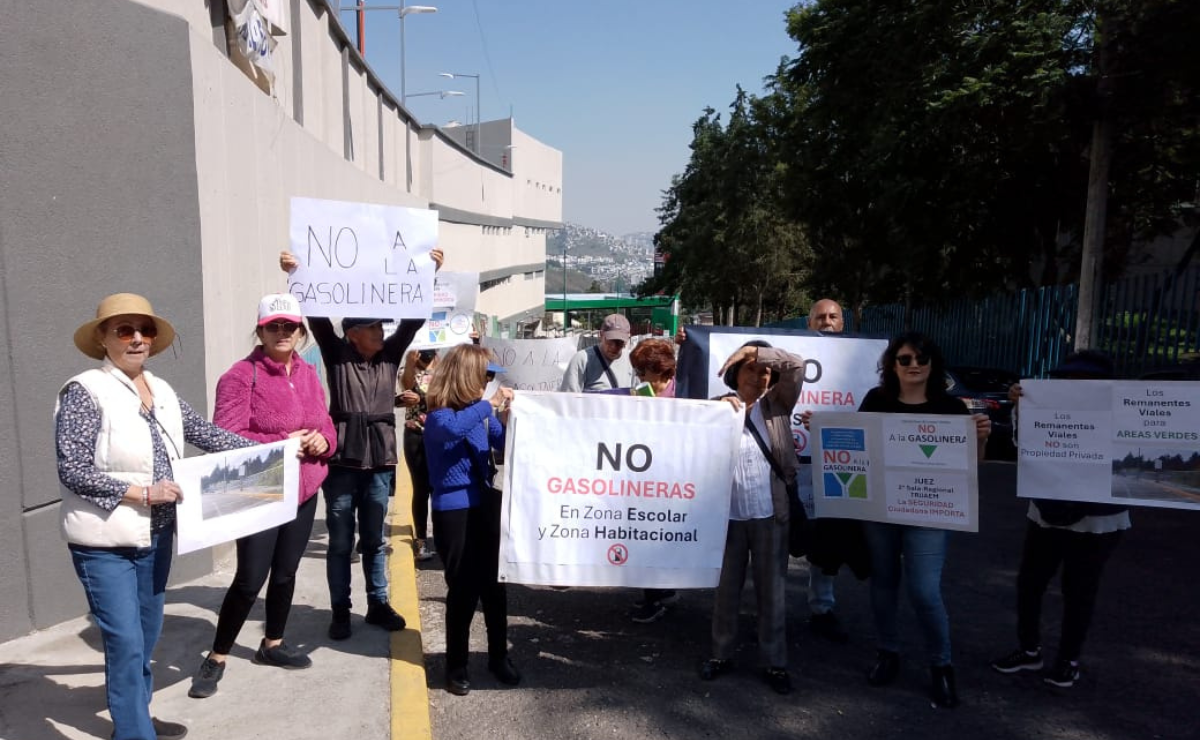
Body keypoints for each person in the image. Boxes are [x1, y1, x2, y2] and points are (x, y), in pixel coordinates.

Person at [56, 293, 253, 740]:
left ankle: (136, 717)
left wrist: (274, 450)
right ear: (103, 339)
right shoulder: (85, 391)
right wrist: (142, 492)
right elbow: (72, 469)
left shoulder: (160, 389)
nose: (137, 339)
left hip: (158, 537)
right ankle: (134, 732)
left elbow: (205, 433)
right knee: (125, 643)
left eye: (144, 330)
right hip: (105, 544)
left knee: (144, 640)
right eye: (124, 330)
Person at [279, 248, 443, 640]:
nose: (381, 332)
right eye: (372, 328)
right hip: (342, 463)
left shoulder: (389, 358)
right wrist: (296, 275)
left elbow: (412, 321)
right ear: (353, 334)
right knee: (339, 543)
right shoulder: (337, 356)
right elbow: (317, 318)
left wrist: (428, 274)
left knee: (374, 540)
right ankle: (340, 609)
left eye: (380, 328)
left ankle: (378, 603)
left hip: (380, 463)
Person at [188, 293, 337, 699]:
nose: (282, 332)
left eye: (289, 326)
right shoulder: (239, 376)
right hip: (261, 488)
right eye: (274, 326)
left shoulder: (308, 373)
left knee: (287, 572)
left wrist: (324, 441)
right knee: (251, 578)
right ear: (260, 331)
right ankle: (217, 655)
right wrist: (280, 442)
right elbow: (224, 438)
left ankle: (272, 643)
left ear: (300, 331)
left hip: (304, 487)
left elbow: (325, 422)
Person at [856, 332, 990, 709]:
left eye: (922, 358)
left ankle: (941, 665)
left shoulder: (951, 408)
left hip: (929, 511)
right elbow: (858, 446)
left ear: (933, 364)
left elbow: (972, 467)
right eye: (905, 359)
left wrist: (981, 439)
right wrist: (825, 429)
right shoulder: (876, 400)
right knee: (883, 582)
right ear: (892, 365)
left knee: (924, 590)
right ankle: (888, 652)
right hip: (880, 509)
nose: (914, 365)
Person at [990, 350, 1129, 688]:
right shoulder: (1047, 409)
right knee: (1030, 583)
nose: (1072, 385)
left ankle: (1068, 659)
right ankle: (1029, 650)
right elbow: (1025, 447)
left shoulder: (1123, 413)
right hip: (1047, 511)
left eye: (1082, 380)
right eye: (1067, 378)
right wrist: (1022, 407)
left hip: (1097, 520)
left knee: (1079, 589)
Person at [700, 340, 805, 696]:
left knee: (771, 592)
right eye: (751, 369)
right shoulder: (717, 408)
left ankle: (775, 662)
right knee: (726, 590)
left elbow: (797, 366)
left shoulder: (777, 406)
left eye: (765, 371)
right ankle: (720, 654)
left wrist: (757, 353)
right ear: (734, 374)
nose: (760, 376)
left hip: (770, 514)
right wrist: (718, 413)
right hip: (727, 516)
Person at [422, 345, 519, 696]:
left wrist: (507, 421)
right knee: (462, 589)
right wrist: (489, 405)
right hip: (455, 509)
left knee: (496, 587)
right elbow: (450, 432)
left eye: (491, 377)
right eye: (486, 376)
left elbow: (504, 443)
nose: (489, 383)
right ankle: (456, 665)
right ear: (468, 376)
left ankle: (498, 656)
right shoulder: (439, 415)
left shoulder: (480, 414)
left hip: (485, 503)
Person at [596, 338, 682, 623]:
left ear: (662, 371)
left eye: (644, 372)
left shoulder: (684, 395)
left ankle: (660, 596)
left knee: (661, 536)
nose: (639, 378)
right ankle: (654, 594)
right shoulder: (640, 392)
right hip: (643, 477)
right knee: (645, 535)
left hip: (671, 480)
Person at [798, 298, 851, 644]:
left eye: (833, 316)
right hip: (792, 461)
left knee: (826, 543)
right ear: (809, 324)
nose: (827, 321)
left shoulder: (860, 361)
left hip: (837, 465)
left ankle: (822, 608)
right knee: (780, 539)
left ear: (842, 322)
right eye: (820, 317)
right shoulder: (794, 354)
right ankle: (768, 609)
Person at [398, 348, 439, 561]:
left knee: (439, 487)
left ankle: (442, 538)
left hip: (439, 434)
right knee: (421, 489)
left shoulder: (444, 371)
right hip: (415, 435)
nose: (426, 355)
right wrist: (410, 361)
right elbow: (405, 387)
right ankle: (421, 541)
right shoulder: (408, 370)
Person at [559, 313, 636, 391]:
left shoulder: (633, 361)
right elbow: (568, 398)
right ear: (601, 335)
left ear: (628, 339)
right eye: (609, 341)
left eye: (619, 342)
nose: (613, 347)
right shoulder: (582, 360)